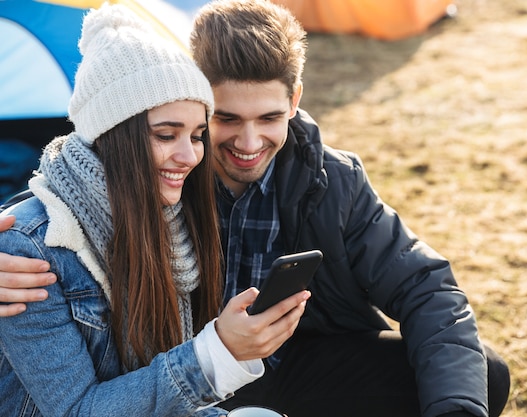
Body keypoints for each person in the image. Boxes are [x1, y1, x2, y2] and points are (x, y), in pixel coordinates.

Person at [0, 1, 510, 416]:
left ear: (295, 101)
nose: (248, 143)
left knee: (479, 376)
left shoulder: (330, 177)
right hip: (189, 374)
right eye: (223, 120)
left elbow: (426, 286)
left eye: (268, 117)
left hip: (291, 363)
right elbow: (66, 198)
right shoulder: (163, 175)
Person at [0, 4, 309, 417]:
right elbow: (77, 410)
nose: (189, 156)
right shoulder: (29, 252)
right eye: (166, 135)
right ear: (113, 137)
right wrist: (216, 353)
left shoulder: (169, 221)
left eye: (198, 135)